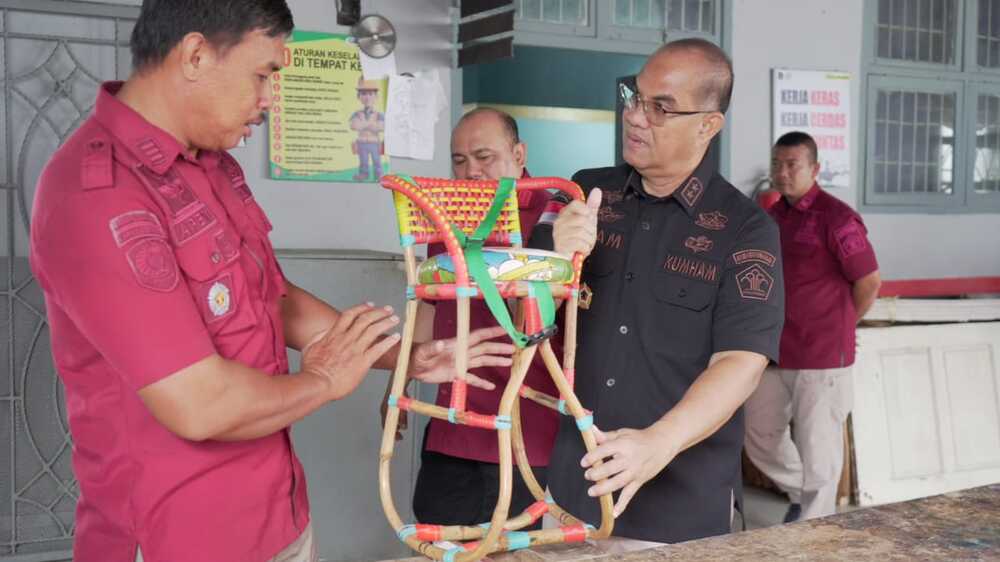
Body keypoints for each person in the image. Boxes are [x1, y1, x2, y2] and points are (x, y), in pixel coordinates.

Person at [28, 2, 510, 561]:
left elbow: (272, 299)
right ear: (195, 55)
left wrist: (411, 357)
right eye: (263, 75)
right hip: (180, 537)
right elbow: (199, 405)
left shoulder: (211, 166)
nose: (268, 99)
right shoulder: (98, 197)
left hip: (276, 515)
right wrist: (324, 381)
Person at [531, 38, 785, 543]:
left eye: (661, 107)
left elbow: (741, 361)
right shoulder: (581, 194)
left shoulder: (744, 229)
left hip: (680, 504)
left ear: (708, 125)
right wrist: (555, 263)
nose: (636, 117)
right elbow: (525, 323)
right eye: (634, 97)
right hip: (570, 493)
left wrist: (658, 443)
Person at [381, 108, 571, 528]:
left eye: (485, 157)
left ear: (519, 154)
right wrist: (402, 374)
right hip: (451, 422)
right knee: (433, 532)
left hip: (520, 430)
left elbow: (545, 316)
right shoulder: (448, 214)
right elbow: (432, 309)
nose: (472, 172)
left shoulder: (554, 216)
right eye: (460, 160)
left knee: (503, 547)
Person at [744, 131, 881, 522]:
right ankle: (801, 494)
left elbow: (870, 283)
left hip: (823, 358)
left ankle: (815, 528)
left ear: (815, 169)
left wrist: (840, 326)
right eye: (777, 164)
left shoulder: (837, 219)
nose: (782, 173)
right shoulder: (773, 217)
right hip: (777, 350)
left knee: (819, 451)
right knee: (759, 436)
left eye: (792, 165)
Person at [349, 77, 385, 181]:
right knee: (363, 161)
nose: (367, 97)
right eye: (364, 94)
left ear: (376, 96)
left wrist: (364, 124)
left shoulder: (379, 114)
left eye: (370, 94)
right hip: (362, 143)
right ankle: (363, 174)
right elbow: (354, 126)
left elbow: (381, 127)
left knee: (377, 160)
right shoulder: (357, 113)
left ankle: (379, 175)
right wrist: (370, 124)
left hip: (374, 143)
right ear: (359, 96)